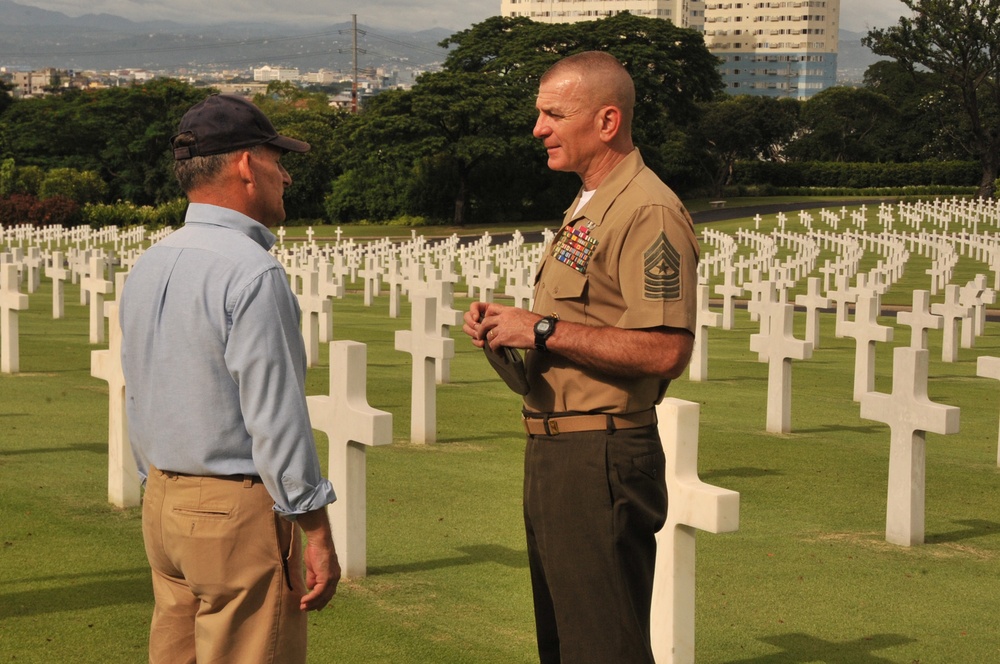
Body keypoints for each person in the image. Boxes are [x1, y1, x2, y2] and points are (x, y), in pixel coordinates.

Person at [462, 52, 699, 663]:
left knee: (602, 647)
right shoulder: (592, 204)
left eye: (553, 114)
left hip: (601, 454)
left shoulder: (647, 211)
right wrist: (508, 332)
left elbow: (667, 348)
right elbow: (584, 322)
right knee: (565, 643)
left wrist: (538, 327)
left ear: (607, 121)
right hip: (559, 449)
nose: (537, 128)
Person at [119, 94, 340, 664]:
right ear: (246, 164)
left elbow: (143, 388)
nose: (285, 174)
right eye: (276, 158)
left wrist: (156, 481)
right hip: (232, 510)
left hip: (162, 499)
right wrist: (314, 528)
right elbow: (275, 418)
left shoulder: (152, 261)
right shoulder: (252, 271)